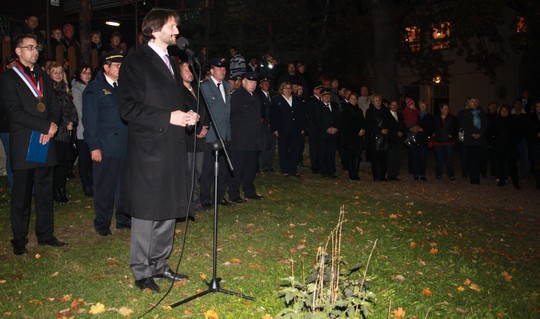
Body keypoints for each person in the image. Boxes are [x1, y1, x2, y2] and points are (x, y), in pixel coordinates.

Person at [119, 9, 198, 292]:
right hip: (149, 148)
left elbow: (175, 101)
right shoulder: (135, 62)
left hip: (172, 146)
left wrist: (187, 114)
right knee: (147, 210)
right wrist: (169, 118)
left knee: (168, 206)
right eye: (172, 26)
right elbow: (128, 108)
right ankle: (141, 271)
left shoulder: (170, 61)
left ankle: (159, 264)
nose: (177, 32)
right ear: (154, 30)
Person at [0, 34, 66, 255]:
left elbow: (55, 105)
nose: (35, 51)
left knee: (45, 191)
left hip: (45, 140)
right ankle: (19, 239)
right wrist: (44, 126)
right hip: (24, 142)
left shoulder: (43, 76)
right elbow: (14, 112)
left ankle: (45, 234)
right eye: (29, 47)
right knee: (22, 194)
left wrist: (54, 124)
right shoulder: (9, 77)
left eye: (36, 47)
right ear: (18, 51)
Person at [83, 50, 131, 236]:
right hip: (105, 146)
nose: (121, 68)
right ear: (106, 67)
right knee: (104, 186)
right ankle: (102, 222)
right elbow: (90, 121)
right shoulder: (94, 89)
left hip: (124, 144)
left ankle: (123, 218)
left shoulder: (123, 87)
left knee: (123, 185)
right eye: (117, 66)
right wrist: (94, 146)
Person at [200, 57, 233, 207]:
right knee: (208, 169)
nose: (223, 71)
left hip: (226, 133)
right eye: (219, 69)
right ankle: (205, 199)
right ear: (212, 71)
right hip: (212, 135)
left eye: (224, 69)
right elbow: (202, 110)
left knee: (224, 168)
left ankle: (219, 196)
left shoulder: (226, 85)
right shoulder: (205, 86)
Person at [228, 72, 264, 202]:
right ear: (243, 82)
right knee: (238, 167)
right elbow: (231, 116)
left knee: (251, 167)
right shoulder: (237, 95)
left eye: (255, 83)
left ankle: (249, 191)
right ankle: (234, 193)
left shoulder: (256, 96)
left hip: (253, 139)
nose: (253, 85)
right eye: (250, 82)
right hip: (240, 139)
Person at [46, 62, 78, 203]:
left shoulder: (66, 90)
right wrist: (65, 123)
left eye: (60, 72)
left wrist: (72, 121)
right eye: (55, 72)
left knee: (64, 163)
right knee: (57, 163)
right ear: (49, 74)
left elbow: (72, 110)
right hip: (55, 134)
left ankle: (61, 189)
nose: (58, 75)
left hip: (66, 134)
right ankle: (56, 191)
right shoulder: (49, 92)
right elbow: (51, 113)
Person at [180, 61, 209, 211]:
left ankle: (195, 201)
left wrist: (205, 126)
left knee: (197, 171)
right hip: (187, 138)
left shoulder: (198, 90)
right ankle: (186, 204)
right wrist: (196, 129)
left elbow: (205, 110)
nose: (190, 73)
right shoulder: (178, 91)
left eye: (191, 70)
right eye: (186, 70)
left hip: (200, 139)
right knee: (187, 172)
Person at [270, 81, 306, 177]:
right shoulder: (276, 100)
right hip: (283, 129)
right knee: (284, 149)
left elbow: (301, 114)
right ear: (282, 89)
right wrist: (275, 129)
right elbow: (272, 116)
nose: (288, 90)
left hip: (295, 128)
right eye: (286, 88)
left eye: (289, 88)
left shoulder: (296, 99)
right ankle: (285, 169)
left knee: (295, 149)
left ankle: (293, 169)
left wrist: (302, 127)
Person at [71, 65, 93, 196]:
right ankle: (86, 185)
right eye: (85, 73)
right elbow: (79, 110)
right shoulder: (76, 88)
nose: (88, 75)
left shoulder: (92, 87)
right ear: (79, 74)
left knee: (92, 159)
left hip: (93, 128)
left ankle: (93, 182)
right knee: (84, 159)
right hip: (83, 129)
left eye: (89, 73)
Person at [492, 105, 520, 189]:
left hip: (510, 145)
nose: (504, 112)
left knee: (512, 164)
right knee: (501, 164)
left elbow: (518, 133)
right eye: (502, 111)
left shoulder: (513, 121)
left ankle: (515, 182)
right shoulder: (496, 121)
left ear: (509, 112)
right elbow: (492, 133)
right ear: (500, 112)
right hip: (499, 146)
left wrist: (514, 142)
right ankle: (502, 180)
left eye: (506, 110)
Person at [316, 88, 341, 178]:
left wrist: (336, 128)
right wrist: (326, 128)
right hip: (323, 133)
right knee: (323, 152)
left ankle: (331, 171)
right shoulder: (318, 106)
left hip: (334, 133)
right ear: (321, 97)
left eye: (328, 95)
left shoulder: (334, 105)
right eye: (324, 96)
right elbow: (317, 120)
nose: (326, 97)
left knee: (331, 153)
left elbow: (338, 118)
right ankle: (323, 170)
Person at [462, 97, 488, 184]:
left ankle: (477, 177)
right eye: (472, 102)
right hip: (470, 139)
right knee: (470, 159)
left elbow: (485, 124)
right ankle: (472, 176)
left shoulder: (482, 113)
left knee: (478, 159)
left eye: (476, 102)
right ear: (469, 103)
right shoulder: (466, 113)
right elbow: (464, 125)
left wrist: (480, 133)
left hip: (480, 140)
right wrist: (471, 133)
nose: (474, 103)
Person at [365, 94, 390, 181]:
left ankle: (383, 176)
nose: (378, 102)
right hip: (375, 138)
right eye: (376, 100)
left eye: (379, 100)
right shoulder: (369, 111)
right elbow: (369, 125)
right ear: (373, 102)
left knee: (384, 158)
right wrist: (380, 130)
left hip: (385, 138)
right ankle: (376, 176)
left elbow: (389, 122)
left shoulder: (385, 111)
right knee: (375, 159)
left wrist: (387, 129)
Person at [341, 92, 366, 180]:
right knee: (350, 155)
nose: (354, 100)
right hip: (350, 136)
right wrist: (358, 130)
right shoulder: (346, 109)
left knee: (357, 155)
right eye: (352, 99)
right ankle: (352, 174)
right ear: (348, 99)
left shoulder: (359, 110)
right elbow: (348, 122)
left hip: (358, 137)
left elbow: (363, 121)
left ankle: (356, 173)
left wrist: (363, 129)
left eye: (355, 99)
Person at [0, 56, 16, 187]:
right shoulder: (4, 80)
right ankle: (13, 182)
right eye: (12, 64)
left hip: (18, 124)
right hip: (6, 125)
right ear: (7, 66)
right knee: (11, 153)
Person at [408, 100, 434, 181]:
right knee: (414, 157)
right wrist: (411, 128)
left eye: (424, 106)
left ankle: (422, 174)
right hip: (414, 139)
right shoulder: (414, 115)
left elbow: (432, 128)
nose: (422, 107)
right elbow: (407, 125)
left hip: (423, 139)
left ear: (426, 107)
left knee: (423, 157)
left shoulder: (429, 117)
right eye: (421, 106)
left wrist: (423, 129)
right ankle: (416, 174)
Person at [432, 103, 458, 181]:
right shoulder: (436, 118)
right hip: (438, 141)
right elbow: (433, 127)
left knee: (449, 159)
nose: (446, 110)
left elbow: (456, 127)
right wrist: (434, 134)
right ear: (441, 109)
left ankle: (451, 175)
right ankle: (439, 175)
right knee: (439, 159)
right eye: (445, 108)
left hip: (449, 142)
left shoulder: (452, 117)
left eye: (447, 108)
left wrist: (451, 135)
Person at [258, 77, 276, 172]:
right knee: (263, 145)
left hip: (272, 124)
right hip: (263, 124)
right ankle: (262, 164)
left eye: (268, 84)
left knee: (271, 145)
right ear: (261, 85)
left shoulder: (273, 95)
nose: (267, 85)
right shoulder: (258, 95)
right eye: (265, 83)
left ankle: (269, 164)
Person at [386, 99, 405, 181]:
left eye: (396, 105)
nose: (394, 106)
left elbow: (403, 125)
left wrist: (402, 132)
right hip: (391, 140)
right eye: (393, 105)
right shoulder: (387, 115)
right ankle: (390, 175)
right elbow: (388, 127)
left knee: (397, 158)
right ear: (389, 106)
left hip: (399, 140)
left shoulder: (400, 115)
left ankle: (395, 174)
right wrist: (395, 132)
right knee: (391, 158)